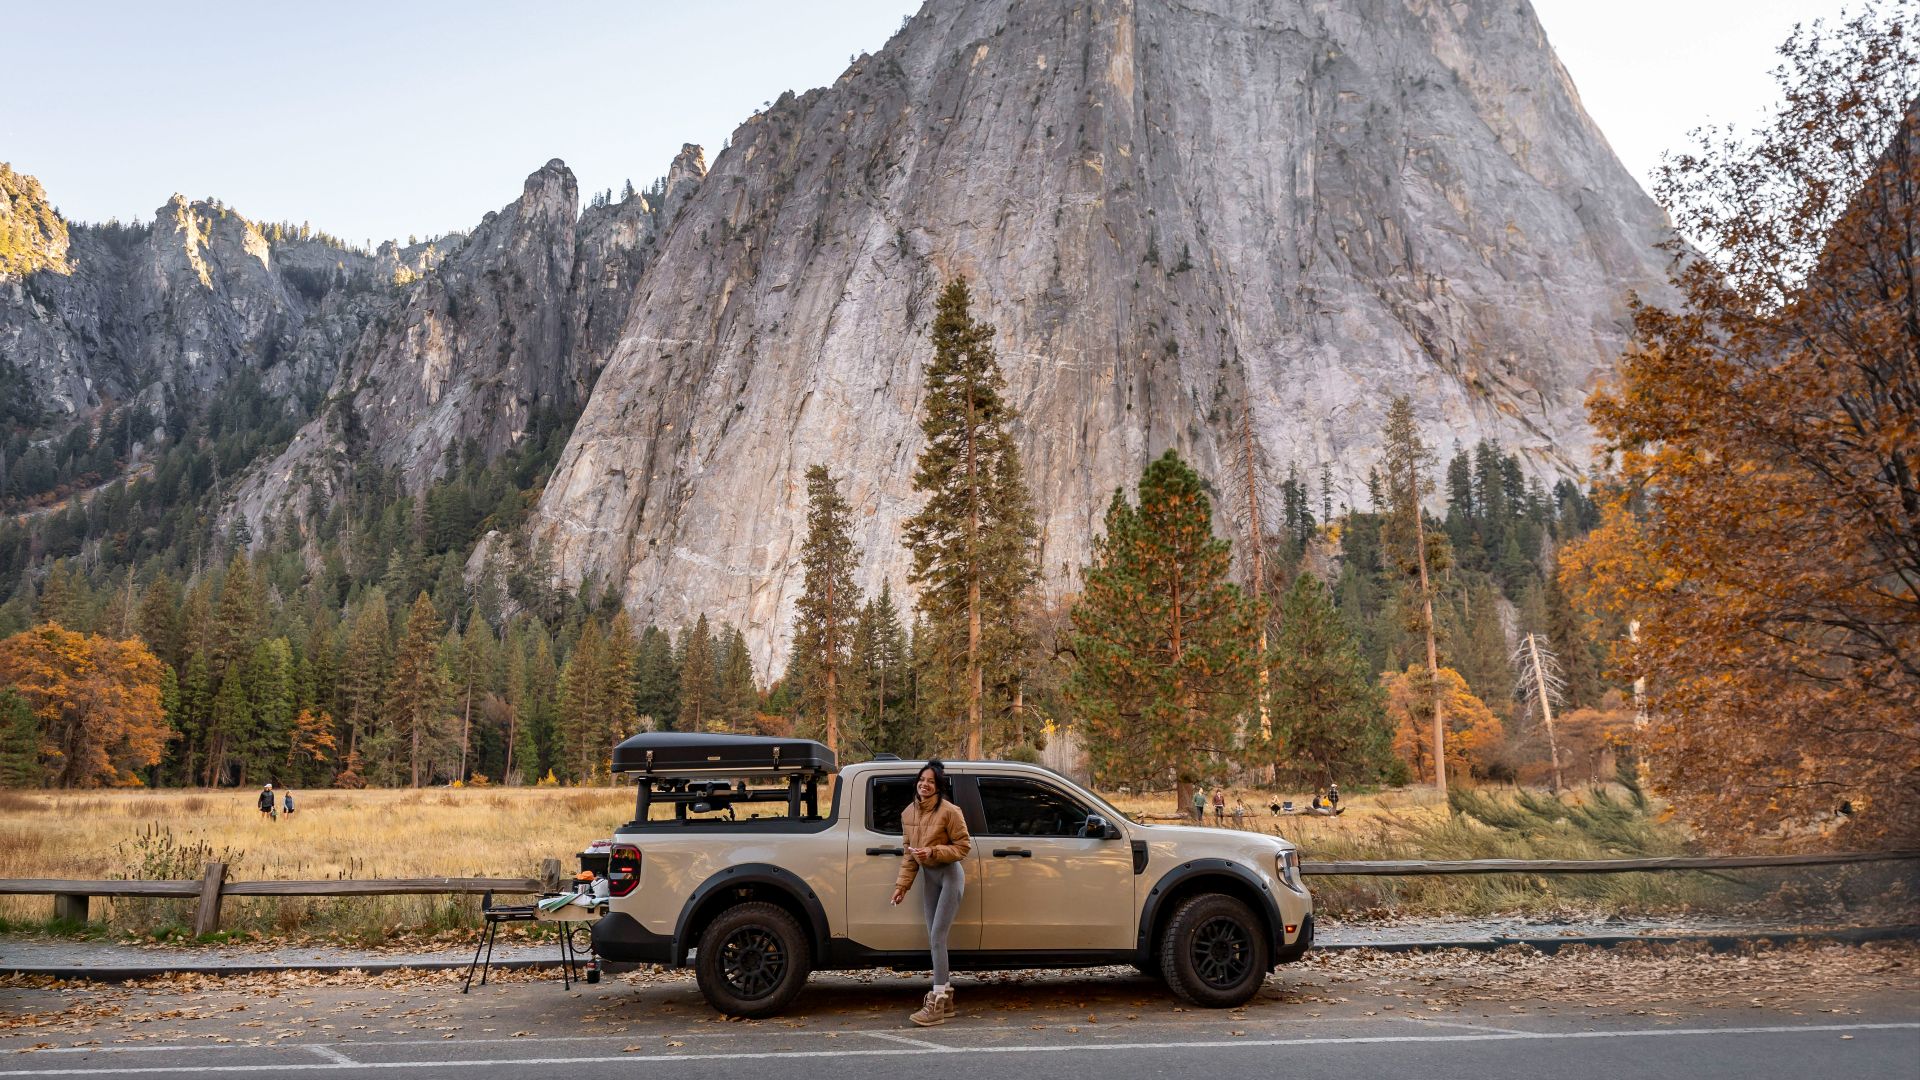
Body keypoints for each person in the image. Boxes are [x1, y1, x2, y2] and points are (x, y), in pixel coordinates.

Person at [890, 760, 972, 1027]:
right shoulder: (908, 814)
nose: (925, 785)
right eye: (922, 780)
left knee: (938, 936)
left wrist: (934, 852)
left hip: (949, 875)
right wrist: (902, 887)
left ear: (938, 787)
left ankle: (936, 1001)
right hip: (929, 879)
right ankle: (946, 999)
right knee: (934, 938)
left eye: (931, 782)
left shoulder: (950, 811)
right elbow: (909, 855)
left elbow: (963, 846)